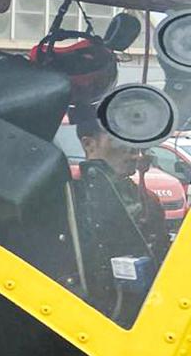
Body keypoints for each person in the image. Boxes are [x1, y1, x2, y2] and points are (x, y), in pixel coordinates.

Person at [73, 111, 170, 322]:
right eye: (119, 142)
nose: (135, 154)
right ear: (89, 145)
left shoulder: (148, 201)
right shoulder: (69, 196)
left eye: (135, 145)